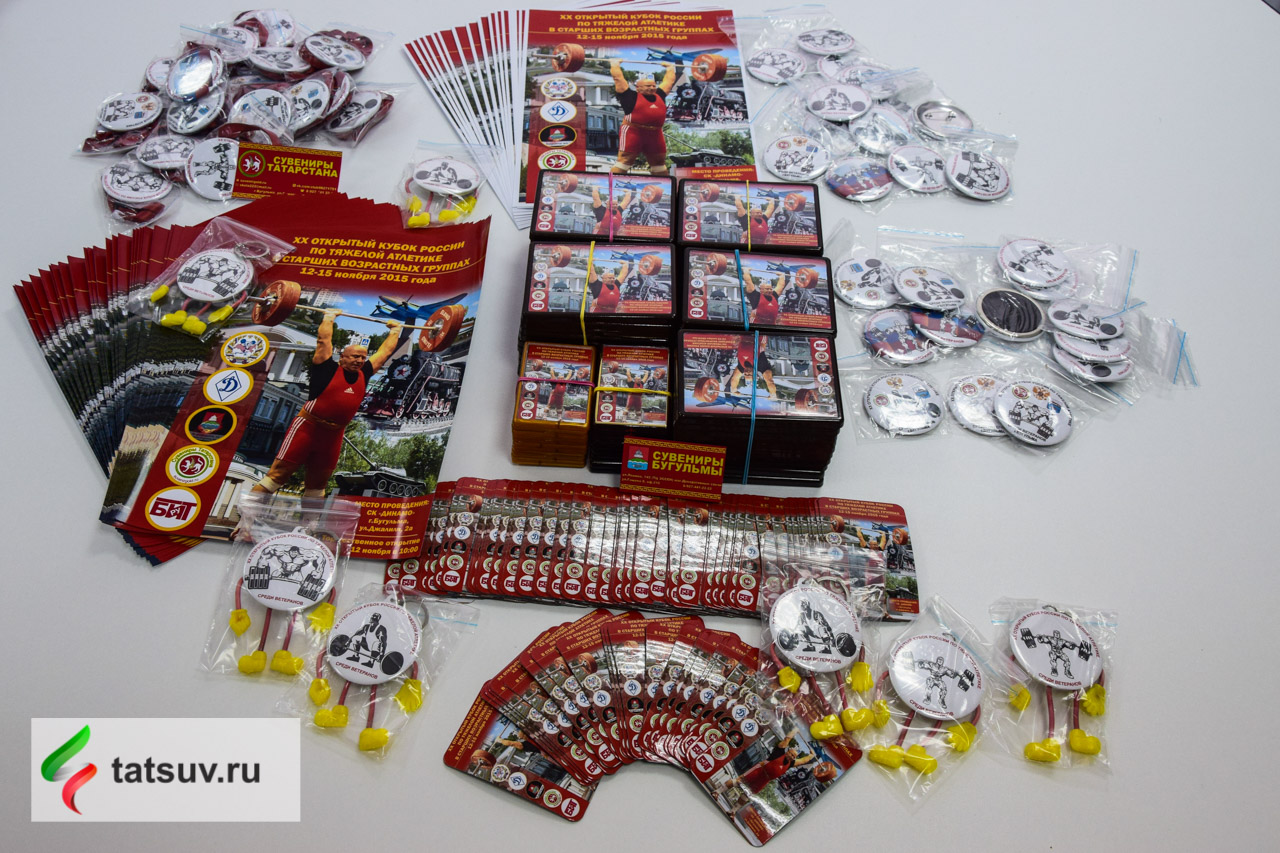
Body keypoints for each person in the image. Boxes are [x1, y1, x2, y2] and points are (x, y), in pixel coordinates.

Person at [252, 311, 402, 497]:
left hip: (334, 435)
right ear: (342, 357)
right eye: (355, 356)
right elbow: (323, 341)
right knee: (277, 475)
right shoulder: (326, 368)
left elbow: (384, 352)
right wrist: (329, 318)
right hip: (308, 428)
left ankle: (309, 517)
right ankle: (247, 514)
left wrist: (395, 331)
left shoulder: (364, 373)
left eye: (363, 358)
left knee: (318, 485)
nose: (360, 361)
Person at [609, 59, 678, 176]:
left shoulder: (659, 95)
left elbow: (669, 81)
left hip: (655, 133)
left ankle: (662, 184)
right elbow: (618, 79)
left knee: (659, 163)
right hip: (633, 132)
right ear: (638, 88)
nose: (652, 88)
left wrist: (670, 68)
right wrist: (615, 65)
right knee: (625, 160)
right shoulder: (629, 96)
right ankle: (611, 183)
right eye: (647, 86)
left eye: (653, 85)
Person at [730, 334, 778, 400]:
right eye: (749, 374)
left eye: (746, 374)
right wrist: (773, 394)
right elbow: (769, 381)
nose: (747, 372)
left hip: (745, 334)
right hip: (758, 336)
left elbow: (734, 378)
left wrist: (733, 390)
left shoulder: (741, 367)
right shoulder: (760, 365)